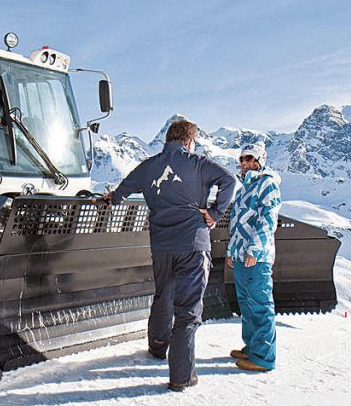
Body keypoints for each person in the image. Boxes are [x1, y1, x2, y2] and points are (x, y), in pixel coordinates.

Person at [103, 120, 235, 391]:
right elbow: (229, 180)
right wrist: (215, 213)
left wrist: (111, 198)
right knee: (187, 310)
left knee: (164, 295)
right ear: (189, 141)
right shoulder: (198, 163)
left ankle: (157, 347)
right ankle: (181, 376)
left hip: (161, 246)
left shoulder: (148, 165)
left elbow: (121, 192)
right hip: (193, 246)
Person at [226, 143, 282, 372]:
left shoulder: (267, 184)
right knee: (246, 304)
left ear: (259, 160)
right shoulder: (243, 189)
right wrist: (232, 251)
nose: (245, 163)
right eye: (242, 159)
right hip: (240, 255)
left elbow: (268, 220)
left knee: (260, 304)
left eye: (249, 158)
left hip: (256, 257)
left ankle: (264, 358)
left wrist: (254, 250)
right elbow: (236, 223)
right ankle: (252, 347)